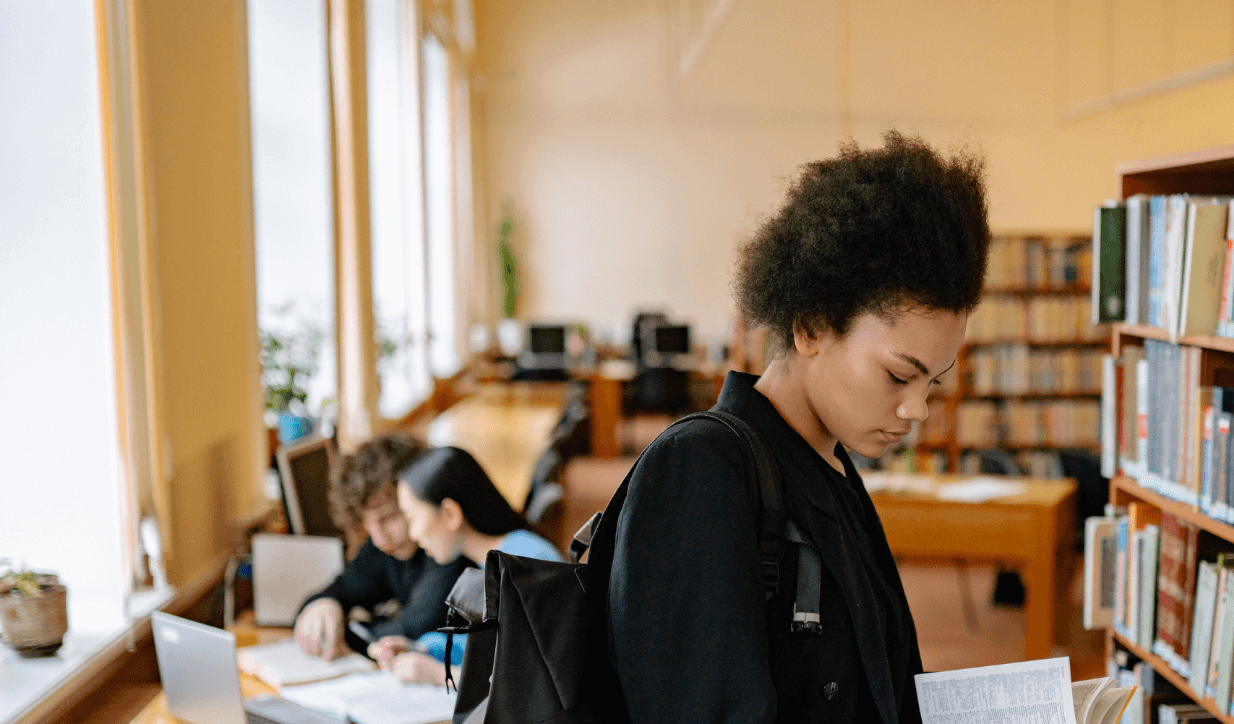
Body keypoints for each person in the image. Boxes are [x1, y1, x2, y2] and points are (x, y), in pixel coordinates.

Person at [608, 131, 990, 723]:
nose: (916, 410)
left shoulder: (830, 465)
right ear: (811, 326)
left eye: (933, 382)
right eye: (897, 376)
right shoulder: (701, 469)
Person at [376, 445, 563, 685]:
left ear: (450, 514)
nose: (413, 534)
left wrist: (440, 675)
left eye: (412, 518)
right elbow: (473, 649)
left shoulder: (527, 560)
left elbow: (533, 679)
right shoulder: (483, 567)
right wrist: (418, 649)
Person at [293, 433, 472, 662]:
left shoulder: (448, 549)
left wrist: (345, 628)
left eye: (389, 517)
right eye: (367, 523)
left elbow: (414, 629)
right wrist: (325, 605)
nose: (378, 538)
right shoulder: (387, 547)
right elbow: (339, 590)